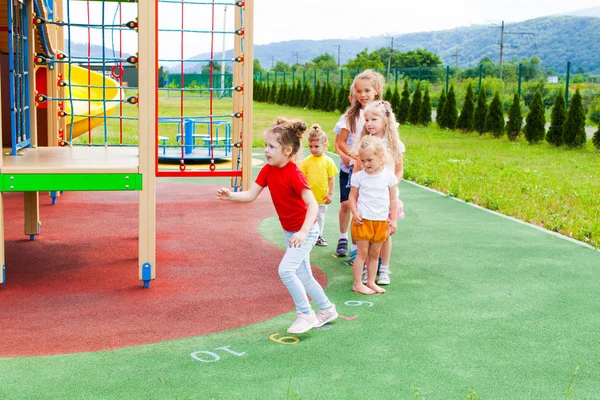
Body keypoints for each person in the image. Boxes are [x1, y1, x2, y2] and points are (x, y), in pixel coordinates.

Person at [217, 118, 338, 334]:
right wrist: (230, 196)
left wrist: (303, 231)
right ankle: (327, 309)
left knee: (286, 270)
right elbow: (251, 195)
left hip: (306, 230)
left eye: (272, 147)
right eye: (266, 145)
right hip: (291, 231)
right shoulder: (268, 170)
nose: (266, 150)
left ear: (287, 150)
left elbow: (312, 206)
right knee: (304, 275)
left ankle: (305, 314)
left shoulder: (295, 173)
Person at [333, 69, 386, 258]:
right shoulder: (350, 116)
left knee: (365, 208)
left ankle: (362, 248)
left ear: (377, 91)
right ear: (354, 93)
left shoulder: (382, 114)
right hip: (352, 169)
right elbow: (340, 143)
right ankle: (342, 237)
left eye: (367, 91)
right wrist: (354, 159)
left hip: (374, 171)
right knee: (348, 203)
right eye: (359, 91)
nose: (363, 95)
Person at [355, 100, 405, 285]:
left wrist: (391, 185)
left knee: (384, 235)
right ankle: (368, 267)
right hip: (368, 200)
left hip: (386, 199)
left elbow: (398, 170)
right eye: (366, 119)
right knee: (367, 235)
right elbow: (357, 170)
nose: (369, 123)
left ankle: (384, 268)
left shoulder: (394, 144)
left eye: (373, 119)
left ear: (385, 119)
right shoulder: (365, 144)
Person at [348, 135, 398, 295]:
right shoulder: (359, 176)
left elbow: (393, 199)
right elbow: (352, 197)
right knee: (362, 254)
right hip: (363, 221)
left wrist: (393, 219)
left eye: (369, 160)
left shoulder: (389, 176)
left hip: (381, 221)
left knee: (375, 254)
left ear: (380, 157)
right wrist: (355, 213)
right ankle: (357, 283)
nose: (365, 164)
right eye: (362, 160)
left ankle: (370, 282)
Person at [300, 124, 339, 247]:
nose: (313, 149)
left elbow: (331, 178)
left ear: (325, 144)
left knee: (320, 216)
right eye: (311, 146)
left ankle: (318, 236)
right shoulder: (307, 161)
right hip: (308, 197)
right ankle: (305, 234)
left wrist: (330, 194)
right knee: (306, 216)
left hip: (322, 197)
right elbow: (302, 178)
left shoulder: (328, 161)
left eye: (316, 146)